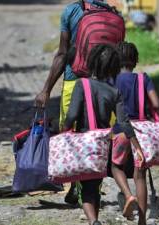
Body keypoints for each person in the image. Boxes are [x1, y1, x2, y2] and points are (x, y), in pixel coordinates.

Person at [34, 0, 114, 204]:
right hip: (104, 85)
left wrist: (46, 90)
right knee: (98, 135)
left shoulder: (71, 11)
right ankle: (92, 188)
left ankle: (75, 185)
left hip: (74, 79)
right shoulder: (109, 11)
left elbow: (62, 53)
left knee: (71, 134)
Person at [63, 44, 145, 225]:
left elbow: (73, 115)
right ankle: (98, 217)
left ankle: (93, 221)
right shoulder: (113, 92)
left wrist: (63, 131)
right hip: (102, 145)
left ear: (91, 62)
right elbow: (124, 123)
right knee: (96, 185)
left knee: (86, 188)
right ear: (113, 67)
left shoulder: (81, 84)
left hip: (84, 143)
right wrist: (137, 146)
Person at [110, 42, 159, 225]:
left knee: (116, 167)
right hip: (141, 133)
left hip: (121, 132)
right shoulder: (143, 78)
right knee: (140, 176)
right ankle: (142, 221)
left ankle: (128, 195)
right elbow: (155, 103)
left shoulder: (112, 79)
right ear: (136, 60)